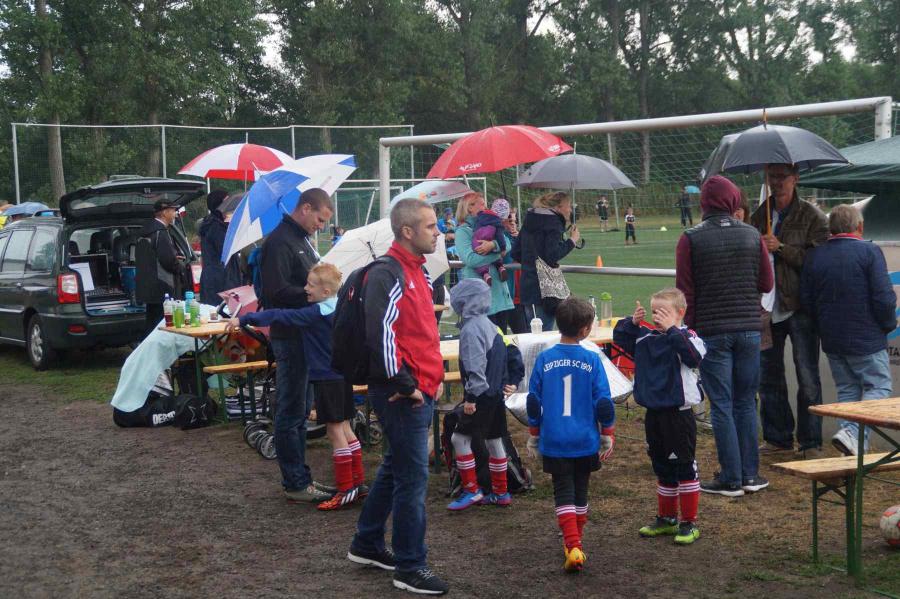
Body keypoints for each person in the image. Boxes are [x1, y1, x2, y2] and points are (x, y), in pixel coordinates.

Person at [348, 198, 449, 596]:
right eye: (429, 226)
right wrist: (406, 384)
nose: (438, 232)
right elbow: (381, 334)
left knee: (396, 469)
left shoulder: (417, 273)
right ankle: (410, 566)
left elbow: (418, 333)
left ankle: (367, 543)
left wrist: (432, 376)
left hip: (417, 389)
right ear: (407, 231)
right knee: (412, 481)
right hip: (401, 395)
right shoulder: (390, 273)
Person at [226, 262, 366, 509]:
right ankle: (357, 484)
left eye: (310, 285)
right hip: (343, 376)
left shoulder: (315, 313)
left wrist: (245, 319)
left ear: (325, 292)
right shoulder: (343, 307)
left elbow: (279, 315)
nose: (305, 289)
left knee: (334, 432)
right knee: (346, 428)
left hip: (326, 378)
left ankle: (345, 490)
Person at [676, 176, 773, 496]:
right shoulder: (752, 235)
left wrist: (687, 333)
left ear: (703, 204)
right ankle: (750, 474)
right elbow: (767, 284)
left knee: (721, 404)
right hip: (749, 328)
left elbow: (685, 292)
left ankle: (730, 477)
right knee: (746, 402)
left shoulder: (690, 238)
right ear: (734, 202)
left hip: (713, 329)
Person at [526, 297, 615, 572]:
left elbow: (533, 402)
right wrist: (607, 432)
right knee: (581, 489)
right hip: (584, 439)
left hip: (554, 438)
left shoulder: (544, 358)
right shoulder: (592, 358)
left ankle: (572, 545)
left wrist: (534, 434)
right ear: (586, 330)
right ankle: (576, 544)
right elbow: (603, 402)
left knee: (562, 490)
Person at [800, 205, 897, 456]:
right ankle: (852, 434)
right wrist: (887, 325)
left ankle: (853, 450)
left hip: (832, 339)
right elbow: (884, 298)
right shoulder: (870, 252)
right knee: (880, 387)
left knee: (848, 391)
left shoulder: (815, 256)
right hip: (867, 337)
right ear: (860, 227)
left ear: (831, 228)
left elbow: (807, 301)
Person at [259, 188, 335, 504]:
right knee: (291, 412)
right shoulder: (278, 242)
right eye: (319, 219)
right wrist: (312, 295)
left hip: (304, 335)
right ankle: (295, 481)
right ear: (305, 208)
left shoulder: (301, 240)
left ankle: (302, 477)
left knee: (302, 410)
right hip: (289, 336)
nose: (321, 226)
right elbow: (274, 292)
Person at [613, 290, 706, 544]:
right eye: (654, 311)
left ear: (680, 313)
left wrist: (673, 331)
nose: (657, 317)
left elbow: (693, 357)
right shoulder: (646, 338)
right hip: (654, 414)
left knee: (684, 466)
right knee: (661, 465)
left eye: (664, 312)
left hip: (679, 414)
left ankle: (689, 522)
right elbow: (620, 338)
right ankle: (666, 518)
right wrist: (632, 322)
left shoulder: (688, 336)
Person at [750, 163, 829, 454]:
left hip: (800, 306)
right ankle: (777, 438)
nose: (777, 182)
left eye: (782, 177)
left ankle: (810, 442)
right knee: (768, 375)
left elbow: (819, 261)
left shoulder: (812, 216)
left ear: (795, 179)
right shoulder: (760, 215)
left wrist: (780, 247)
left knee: (807, 375)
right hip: (767, 307)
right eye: (772, 177)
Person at [446, 278, 524, 511]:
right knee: (494, 439)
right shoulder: (491, 325)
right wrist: (509, 381)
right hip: (495, 395)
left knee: (459, 439)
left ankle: (472, 490)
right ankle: (501, 492)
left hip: (480, 396)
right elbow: (508, 353)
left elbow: (475, 367)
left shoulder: (471, 330)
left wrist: (470, 399)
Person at [511, 191, 581, 331]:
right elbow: (552, 255)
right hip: (545, 292)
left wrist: (531, 261)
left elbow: (516, 251)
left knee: (533, 336)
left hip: (527, 287)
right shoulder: (553, 223)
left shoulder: (530, 219)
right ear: (559, 207)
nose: (570, 210)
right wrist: (572, 240)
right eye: (568, 206)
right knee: (545, 337)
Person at [455, 192, 514, 331]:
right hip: (480, 300)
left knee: (502, 343)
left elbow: (507, 243)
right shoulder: (462, 232)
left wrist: (493, 245)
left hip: (499, 296)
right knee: (487, 347)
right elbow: (471, 259)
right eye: (481, 204)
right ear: (469, 208)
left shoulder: (490, 222)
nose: (485, 206)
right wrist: (498, 253)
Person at [135, 199, 186, 338]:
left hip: (149, 288)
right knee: (162, 327)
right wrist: (180, 266)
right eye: (173, 211)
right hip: (163, 288)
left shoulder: (145, 232)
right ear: (164, 212)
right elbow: (168, 261)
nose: (175, 214)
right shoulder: (160, 233)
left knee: (151, 325)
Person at [499, 204, 528, 334]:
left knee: (524, 333)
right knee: (502, 334)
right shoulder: (500, 238)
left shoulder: (518, 238)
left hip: (521, 296)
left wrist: (520, 240)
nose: (513, 224)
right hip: (507, 296)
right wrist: (512, 239)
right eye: (510, 221)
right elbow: (508, 259)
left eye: (515, 221)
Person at [198, 189, 229, 306]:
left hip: (215, 278)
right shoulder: (216, 226)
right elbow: (226, 251)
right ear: (219, 205)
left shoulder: (213, 223)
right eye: (227, 201)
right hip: (219, 281)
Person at [471, 204, 508, 285]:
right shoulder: (497, 223)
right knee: (497, 257)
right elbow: (501, 238)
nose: (484, 206)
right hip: (491, 237)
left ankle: (485, 274)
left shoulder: (479, 219)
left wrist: (492, 245)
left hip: (478, 238)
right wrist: (502, 247)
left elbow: (475, 233)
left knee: (479, 252)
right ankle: (500, 267)